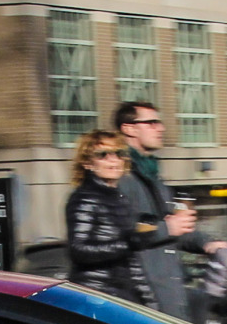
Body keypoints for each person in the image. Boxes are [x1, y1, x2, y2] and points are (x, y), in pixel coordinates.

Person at [114, 102, 227, 322]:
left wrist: (206, 243)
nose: (161, 128)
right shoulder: (121, 177)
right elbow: (124, 231)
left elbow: (171, 228)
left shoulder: (152, 175)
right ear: (129, 129)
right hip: (144, 297)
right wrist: (168, 227)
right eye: (151, 122)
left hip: (168, 290)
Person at [63, 130, 162, 303]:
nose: (113, 159)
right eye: (103, 154)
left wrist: (148, 299)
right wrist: (129, 243)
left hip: (120, 296)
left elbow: (131, 260)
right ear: (87, 163)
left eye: (119, 153)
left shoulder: (119, 198)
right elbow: (78, 250)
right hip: (96, 297)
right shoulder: (85, 197)